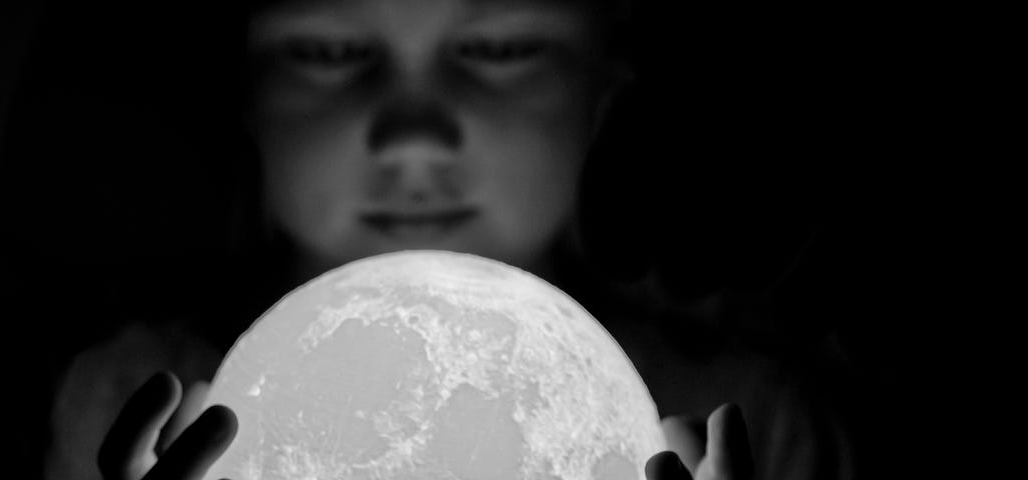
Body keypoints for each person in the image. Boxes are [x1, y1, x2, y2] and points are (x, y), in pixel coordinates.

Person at [42, 0, 851, 479]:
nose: (415, 137)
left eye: (499, 48)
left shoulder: (750, 423)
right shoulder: (118, 403)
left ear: (603, 88)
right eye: (327, 51)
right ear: (243, 94)